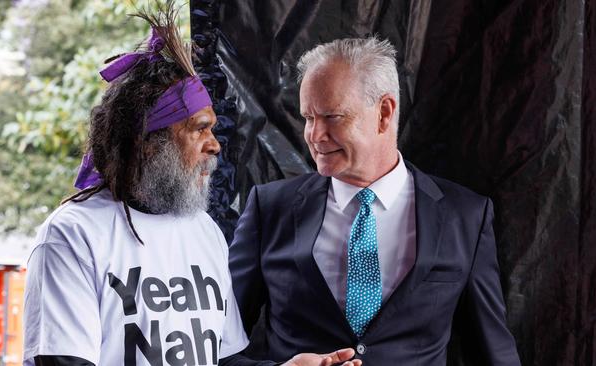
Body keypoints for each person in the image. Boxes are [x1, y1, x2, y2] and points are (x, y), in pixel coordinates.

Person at [22, 5, 362, 366]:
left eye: (213, 129)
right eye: (199, 128)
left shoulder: (203, 231)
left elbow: (225, 359)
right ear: (148, 141)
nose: (215, 144)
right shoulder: (74, 234)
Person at [228, 37, 522, 365]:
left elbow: (495, 354)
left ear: (384, 113)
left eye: (332, 117)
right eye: (308, 117)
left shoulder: (464, 216)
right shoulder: (269, 210)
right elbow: (214, 347)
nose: (314, 134)